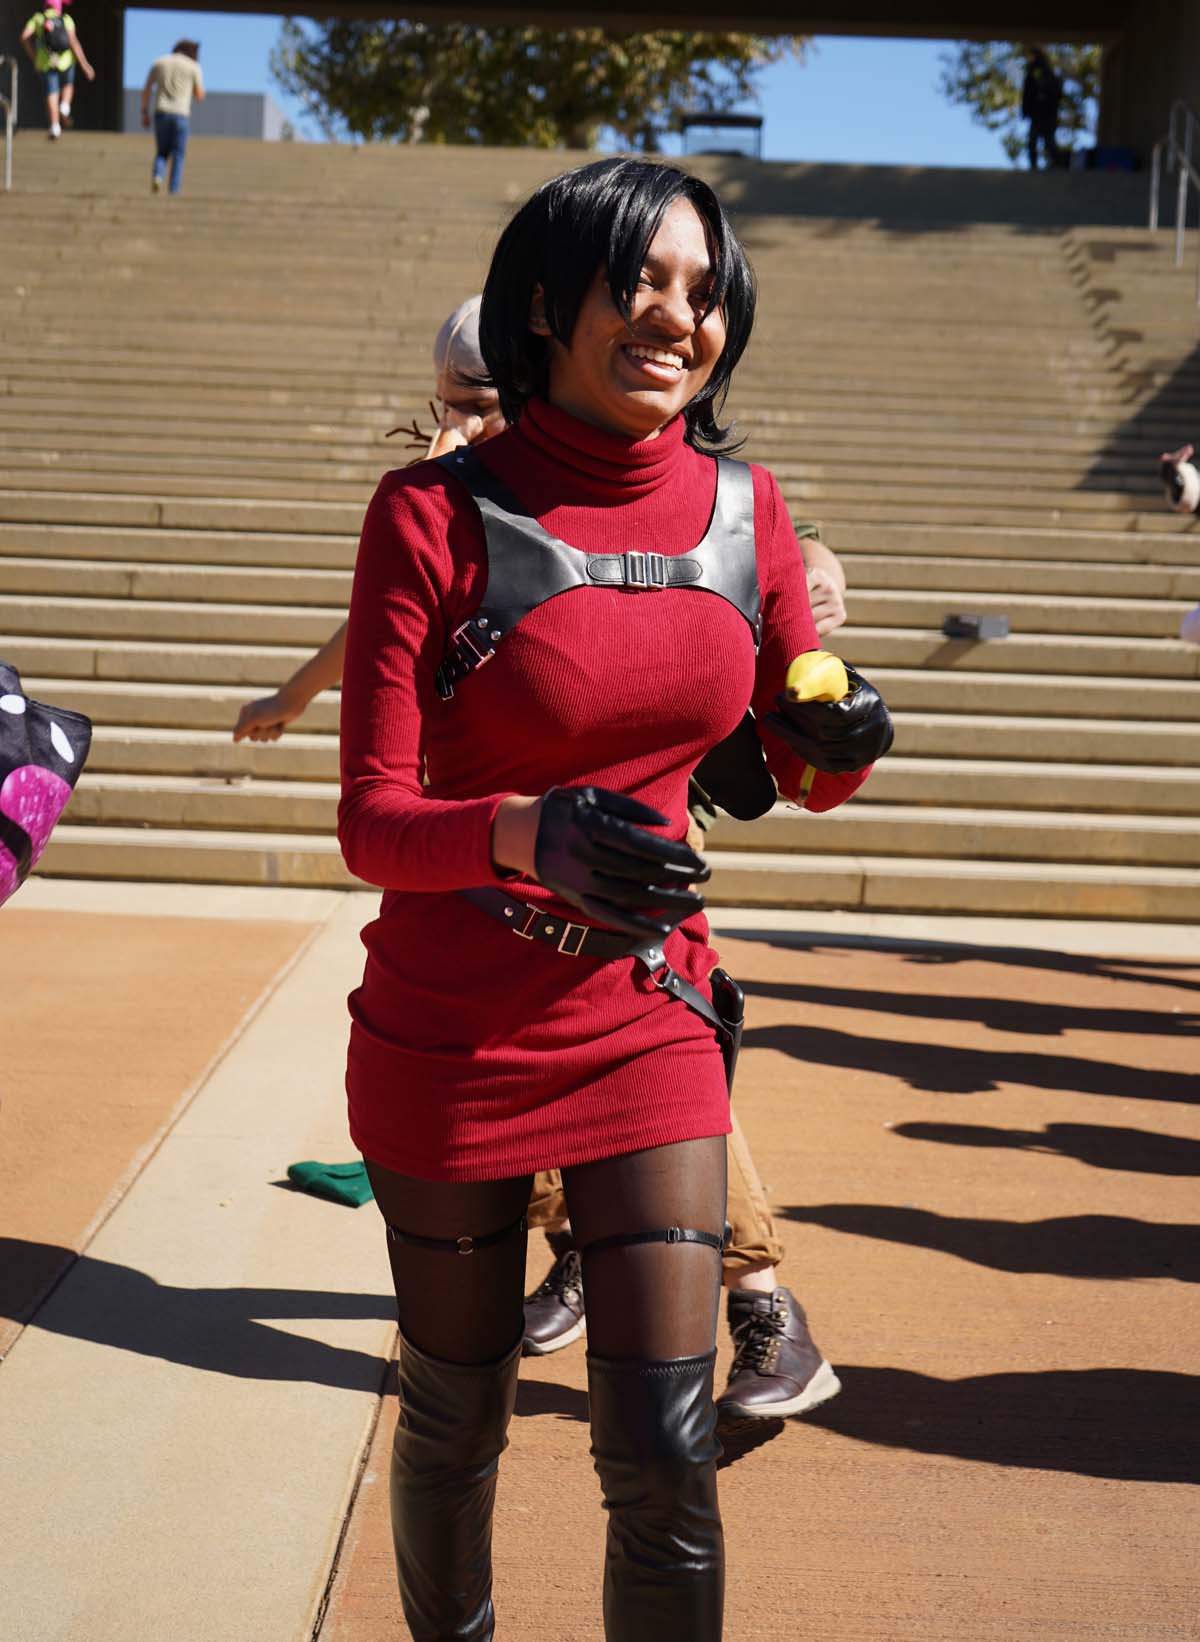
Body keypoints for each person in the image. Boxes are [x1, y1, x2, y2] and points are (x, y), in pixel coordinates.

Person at [336, 157, 892, 1640]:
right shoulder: (430, 516)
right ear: (544, 301)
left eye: (703, 291)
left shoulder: (746, 507)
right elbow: (374, 821)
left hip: (645, 1011)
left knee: (663, 1449)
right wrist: (524, 830)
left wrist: (836, 741)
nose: (677, 315)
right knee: (458, 1421)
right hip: (452, 1030)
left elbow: (785, 748)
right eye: (642, 280)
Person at [235, 294, 851, 1425]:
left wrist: (808, 645)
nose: (456, 424)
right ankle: (590, 1244)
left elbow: (740, 579)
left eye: (474, 402)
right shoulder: (441, 504)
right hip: (484, 869)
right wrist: (299, 695)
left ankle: (762, 1300)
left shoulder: (651, 486)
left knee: (658, 1037)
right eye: (445, 404)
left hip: (626, 841)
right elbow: (382, 645)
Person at [20, 0, 94, 140]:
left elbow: (24, 37)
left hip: (46, 62)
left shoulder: (38, 18)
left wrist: (35, 58)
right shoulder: (66, 19)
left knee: (51, 93)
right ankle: (65, 106)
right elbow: (74, 43)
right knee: (68, 85)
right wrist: (85, 65)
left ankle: (55, 126)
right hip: (65, 60)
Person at [140, 39, 204, 196]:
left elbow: (147, 89)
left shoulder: (159, 62)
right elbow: (200, 95)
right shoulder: (193, 66)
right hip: (181, 114)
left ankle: (157, 176)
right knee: (178, 153)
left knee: (162, 151)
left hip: (161, 112)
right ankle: (174, 190)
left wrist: (144, 112)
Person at [1022, 48, 1063, 171]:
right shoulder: (1044, 71)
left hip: (1043, 113)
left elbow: (1030, 91)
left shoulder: (1038, 71)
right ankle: (1052, 164)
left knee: (1042, 139)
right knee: (1044, 140)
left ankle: (1054, 164)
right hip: (1042, 113)